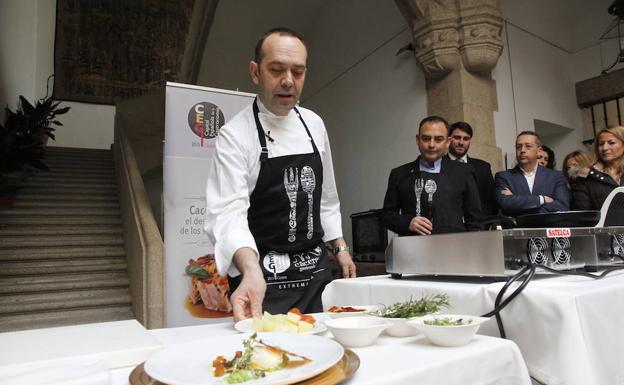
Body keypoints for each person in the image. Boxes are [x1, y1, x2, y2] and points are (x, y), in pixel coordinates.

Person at [204, 28, 356, 321]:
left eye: (297, 72)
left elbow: (326, 198)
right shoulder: (235, 134)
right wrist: (249, 270)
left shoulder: (314, 124)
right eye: (276, 70)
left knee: (322, 347)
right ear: (255, 72)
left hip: (314, 271)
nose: (288, 81)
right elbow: (227, 212)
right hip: (261, 276)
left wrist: (340, 248)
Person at [382, 116, 482, 236]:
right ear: (417, 140)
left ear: (447, 142)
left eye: (438, 139)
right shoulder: (399, 174)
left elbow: (475, 219)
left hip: (454, 248)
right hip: (413, 250)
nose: (431, 145)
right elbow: (387, 216)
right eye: (426, 138)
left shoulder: (464, 172)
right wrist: (407, 223)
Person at [495, 131, 569, 217]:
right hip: (518, 229)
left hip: (546, 227)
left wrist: (518, 206)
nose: (522, 150)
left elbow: (562, 206)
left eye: (528, 146)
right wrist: (542, 199)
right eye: (518, 147)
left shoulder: (555, 176)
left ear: (539, 151)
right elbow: (505, 203)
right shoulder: (504, 177)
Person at [447, 121, 497, 215]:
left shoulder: (483, 168)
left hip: (479, 225)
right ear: (448, 139)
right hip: (449, 225)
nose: (461, 142)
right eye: (457, 137)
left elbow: (491, 203)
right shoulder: (438, 165)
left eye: (466, 139)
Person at [571, 126, 624, 210]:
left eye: (611, 142)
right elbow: (582, 212)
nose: (605, 148)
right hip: (603, 223)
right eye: (601, 144)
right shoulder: (586, 176)